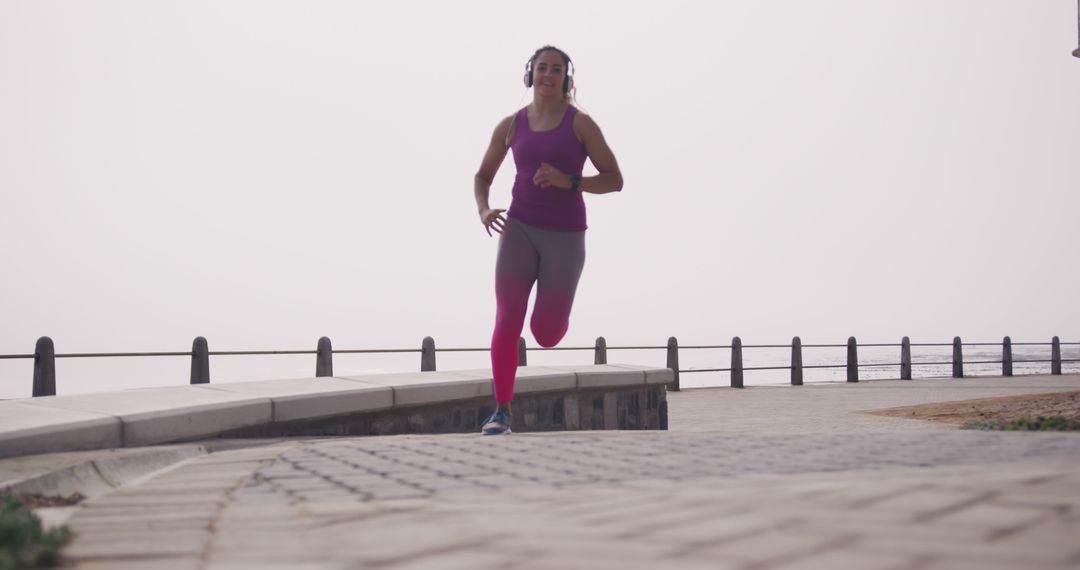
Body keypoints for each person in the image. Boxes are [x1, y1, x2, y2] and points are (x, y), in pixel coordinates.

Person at [472, 45, 624, 435]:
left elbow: (614, 179)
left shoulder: (581, 124)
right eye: (542, 68)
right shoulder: (511, 125)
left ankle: (558, 313)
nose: (548, 75)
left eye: (556, 69)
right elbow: (482, 176)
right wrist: (485, 209)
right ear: (530, 75)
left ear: (566, 79)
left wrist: (570, 180)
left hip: (565, 236)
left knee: (546, 332)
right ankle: (502, 412)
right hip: (518, 228)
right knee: (507, 318)